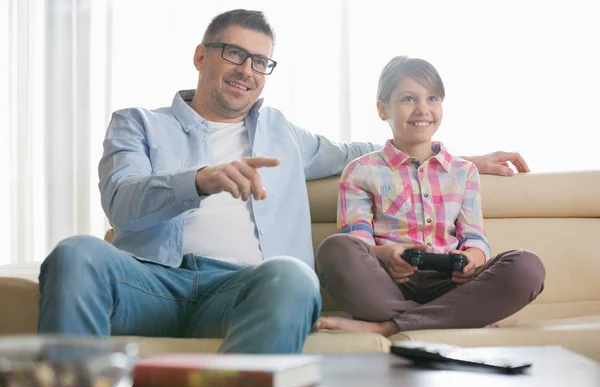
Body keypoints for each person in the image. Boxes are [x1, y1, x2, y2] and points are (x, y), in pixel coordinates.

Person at [38, 10, 532, 354]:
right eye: (234, 53)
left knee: (294, 277)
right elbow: (121, 202)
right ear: (200, 56)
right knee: (75, 253)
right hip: (150, 282)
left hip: (244, 290)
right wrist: (201, 180)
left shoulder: (281, 134)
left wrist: (462, 159)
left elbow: (373, 152)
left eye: (260, 61)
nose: (246, 70)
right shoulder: (137, 124)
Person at [314, 56, 545, 337]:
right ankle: (457, 315)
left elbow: (474, 236)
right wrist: (385, 255)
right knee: (335, 249)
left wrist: (472, 258)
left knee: (527, 267)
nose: (423, 109)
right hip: (388, 282)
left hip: (452, 284)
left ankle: (387, 326)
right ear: (382, 109)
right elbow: (357, 242)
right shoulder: (361, 171)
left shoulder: (464, 172)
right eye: (409, 99)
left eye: (432, 98)